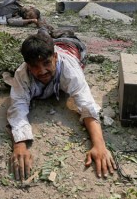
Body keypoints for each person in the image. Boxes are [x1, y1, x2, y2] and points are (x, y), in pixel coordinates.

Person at [7, 30, 116, 180]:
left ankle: (58, 33)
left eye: (47, 63)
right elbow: (17, 107)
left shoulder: (69, 69)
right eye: (35, 66)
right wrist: (19, 145)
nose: (42, 71)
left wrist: (99, 145)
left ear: (55, 58)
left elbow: (86, 105)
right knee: (48, 36)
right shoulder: (22, 73)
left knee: (67, 36)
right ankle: (48, 33)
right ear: (27, 65)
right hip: (55, 46)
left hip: (71, 46)